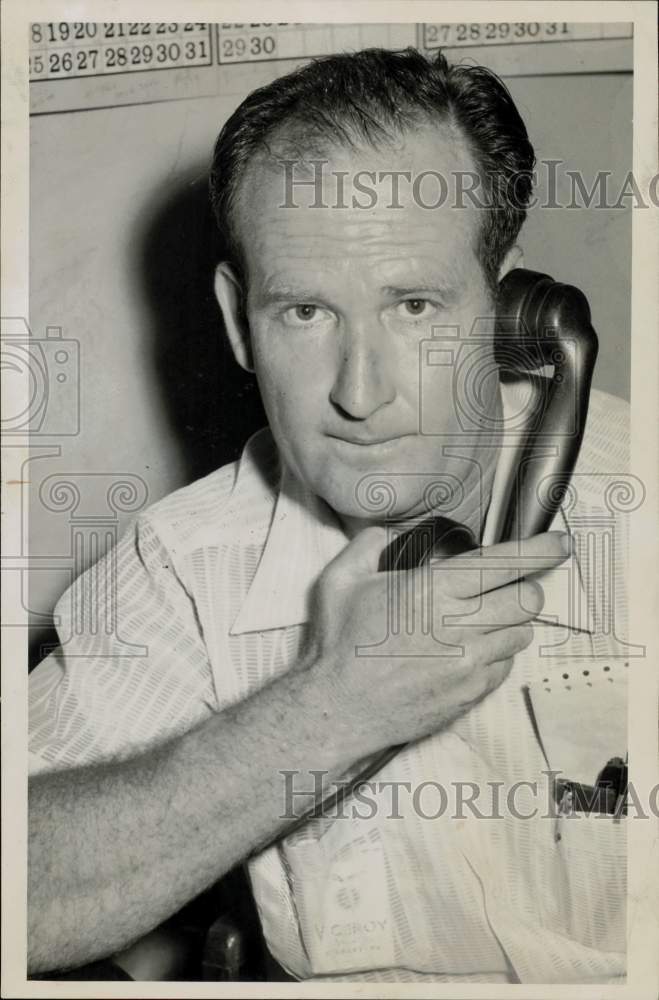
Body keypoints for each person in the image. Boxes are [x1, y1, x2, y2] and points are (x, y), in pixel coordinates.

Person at [28, 48, 629, 983]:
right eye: (305, 312)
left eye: (415, 305)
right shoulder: (182, 566)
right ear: (238, 323)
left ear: (507, 303)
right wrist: (323, 715)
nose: (359, 393)